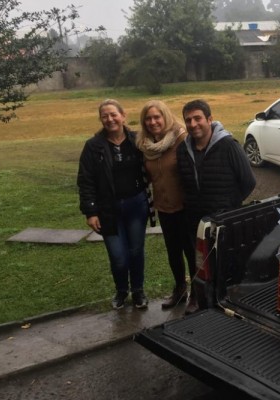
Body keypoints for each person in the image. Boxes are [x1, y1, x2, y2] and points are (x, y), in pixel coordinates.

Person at [176, 99, 256, 314]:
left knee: (225, 262)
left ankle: (226, 300)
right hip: (195, 219)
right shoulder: (183, 150)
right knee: (199, 262)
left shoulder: (229, 145)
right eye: (188, 120)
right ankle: (198, 298)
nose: (193, 124)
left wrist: (229, 206)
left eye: (198, 118)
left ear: (209, 120)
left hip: (223, 218)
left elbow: (249, 181)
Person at [77, 99, 153, 310]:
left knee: (136, 250)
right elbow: (86, 180)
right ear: (101, 119)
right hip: (108, 209)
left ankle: (137, 290)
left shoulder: (137, 140)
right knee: (118, 256)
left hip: (136, 205)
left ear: (123, 116)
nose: (110, 119)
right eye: (105, 116)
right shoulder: (93, 146)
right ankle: (121, 290)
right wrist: (91, 211)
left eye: (113, 114)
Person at [136, 100, 192, 309]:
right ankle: (179, 289)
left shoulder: (181, 139)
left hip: (185, 207)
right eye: (148, 119)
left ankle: (196, 293)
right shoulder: (144, 145)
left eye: (156, 117)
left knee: (190, 250)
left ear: (165, 117)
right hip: (165, 208)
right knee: (173, 252)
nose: (153, 122)